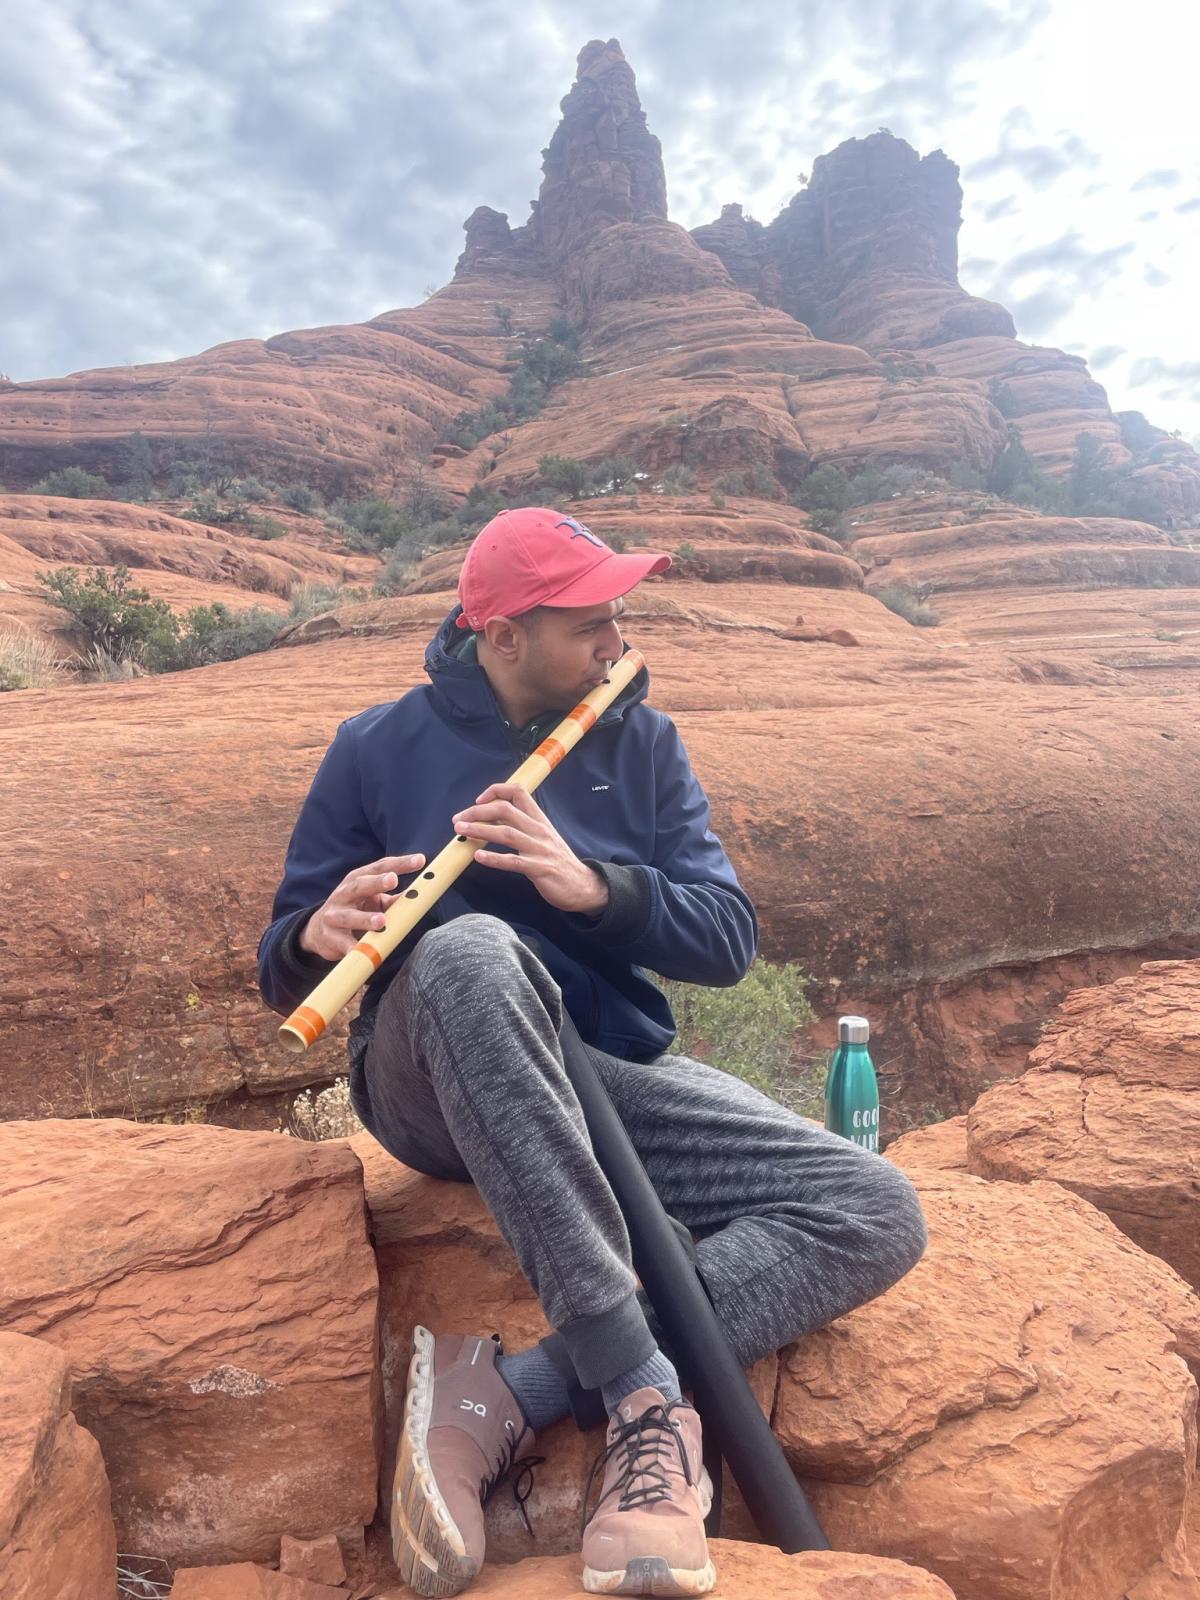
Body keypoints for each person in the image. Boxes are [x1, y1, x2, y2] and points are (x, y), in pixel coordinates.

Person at [258, 506, 927, 1599]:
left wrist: (595, 888)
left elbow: (724, 936)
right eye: (588, 624)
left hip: (604, 1069)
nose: (616, 640)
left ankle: (507, 1392)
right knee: (471, 950)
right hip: (427, 1076)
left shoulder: (641, 743)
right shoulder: (377, 746)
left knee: (875, 1207)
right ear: (505, 634)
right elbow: (281, 968)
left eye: (619, 616)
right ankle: (640, 1397)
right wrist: (314, 933)